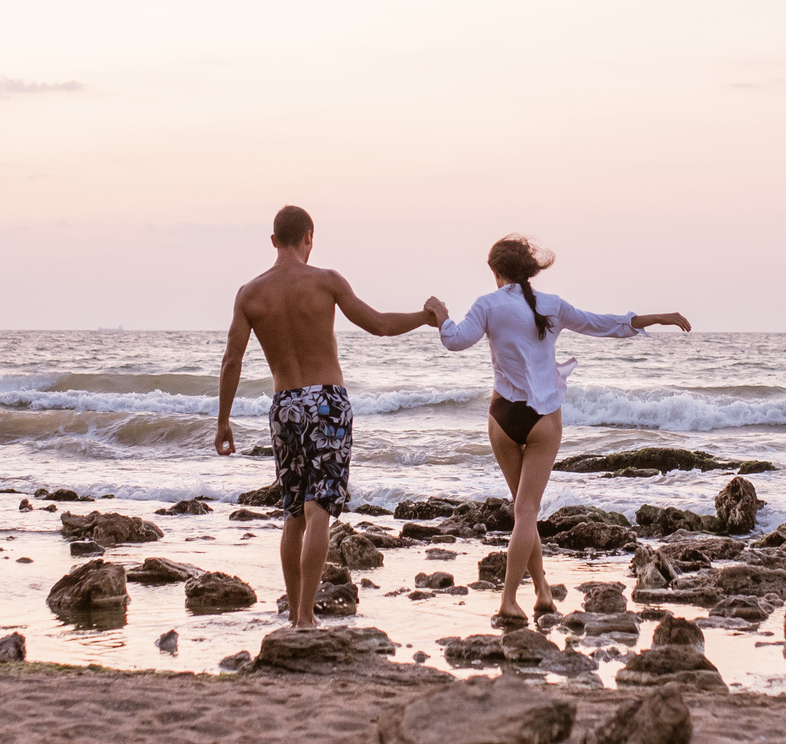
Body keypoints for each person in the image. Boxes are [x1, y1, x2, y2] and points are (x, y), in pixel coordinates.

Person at [431, 235, 689, 622]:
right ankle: (510, 599)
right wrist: (656, 318)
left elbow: (454, 340)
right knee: (526, 511)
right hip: (543, 420)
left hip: (501, 417)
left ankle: (541, 592)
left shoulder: (488, 305)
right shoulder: (551, 306)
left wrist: (439, 312)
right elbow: (605, 325)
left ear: (496, 271)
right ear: (530, 270)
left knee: (523, 510)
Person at [216, 205, 446, 628]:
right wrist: (425, 318)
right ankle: (306, 616)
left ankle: (294, 614)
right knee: (319, 507)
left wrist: (223, 421)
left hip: (284, 405)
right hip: (326, 404)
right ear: (310, 236)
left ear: (273, 241)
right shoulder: (326, 281)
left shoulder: (249, 293)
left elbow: (232, 360)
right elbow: (378, 324)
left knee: (293, 513)